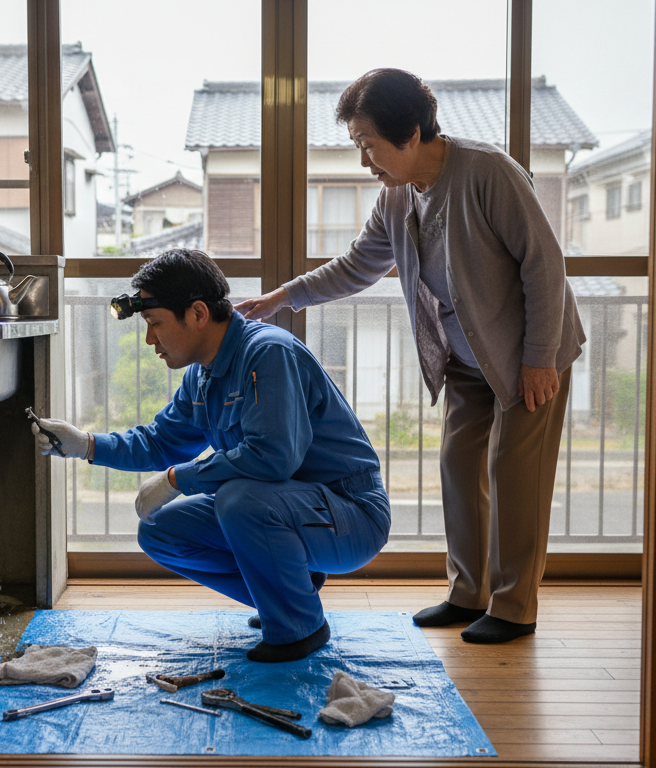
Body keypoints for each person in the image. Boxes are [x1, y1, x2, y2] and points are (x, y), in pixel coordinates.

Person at [237, 69, 584, 645]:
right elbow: (358, 265)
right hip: (466, 358)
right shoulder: (396, 195)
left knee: (514, 476)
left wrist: (540, 357)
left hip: (528, 355)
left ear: (411, 132)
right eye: (358, 145)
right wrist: (282, 298)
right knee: (458, 468)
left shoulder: (488, 171)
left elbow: (544, 263)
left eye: (368, 144)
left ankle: (515, 606)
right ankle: (468, 592)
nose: (364, 160)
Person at [32, 249, 390, 663]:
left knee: (239, 498)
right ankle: (286, 595)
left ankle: (299, 627)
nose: (150, 340)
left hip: (351, 516)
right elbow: (160, 441)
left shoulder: (268, 353)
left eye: (155, 323)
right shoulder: (201, 376)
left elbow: (272, 458)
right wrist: (86, 444)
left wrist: (176, 480)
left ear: (198, 313)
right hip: (293, 511)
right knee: (159, 530)